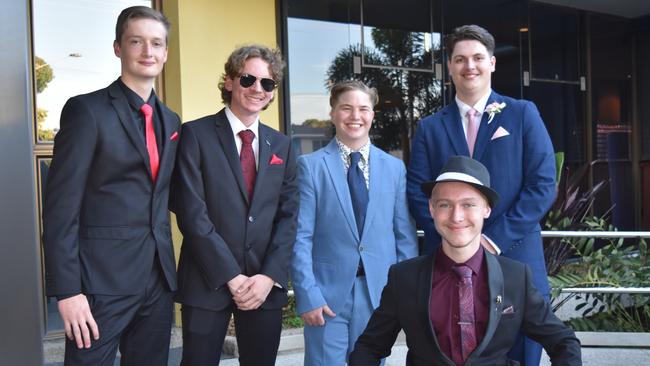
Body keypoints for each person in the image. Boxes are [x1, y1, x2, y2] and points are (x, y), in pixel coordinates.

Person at [406, 24, 556, 365]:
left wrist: (493, 240)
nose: (468, 66)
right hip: (448, 264)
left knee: (522, 354)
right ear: (450, 67)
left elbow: (542, 184)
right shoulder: (431, 127)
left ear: (491, 63)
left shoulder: (522, 114)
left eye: (476, 58)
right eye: (460, 59)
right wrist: (457, 238)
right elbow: (418, 192)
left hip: (515, 256)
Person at [42, 6, 180, 365]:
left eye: (156, 43)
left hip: (158, 281)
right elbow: (60, 210)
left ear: (166, 53)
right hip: (100, 285)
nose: (148, 51)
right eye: (137, 41)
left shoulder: (171, 120)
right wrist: (68, 292)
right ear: (119, 47)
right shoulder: (86, 111)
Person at [350, 156, 581, 366]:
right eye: (445, 205)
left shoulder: (516, 278)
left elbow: (564, 342)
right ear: (432, 209)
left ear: (487, 209)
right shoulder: (404, 278)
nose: (456, 216)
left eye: (468, 204)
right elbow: (369, 347)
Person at [172, 45, 298, 366]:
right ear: (229, 82)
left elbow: (289, 217)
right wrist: (232, 276)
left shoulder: (282, 144)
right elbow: (191, 213)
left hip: (263, 287)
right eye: (248, 79)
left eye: (267, 84)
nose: (257, 88)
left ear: (271, 93)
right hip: (206, 282)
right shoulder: (194, 134)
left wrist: (268, 276)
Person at [291, 80, 418, 365]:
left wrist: (406, 295)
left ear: (373, 114)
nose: (355, 116)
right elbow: (301, 236)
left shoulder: (394, 168)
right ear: (333, 113)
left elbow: (404, 237)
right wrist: (307, 294)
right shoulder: (311, 167)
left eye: (363, 108)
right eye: (346, 108)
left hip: (379, 296)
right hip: (326, 296)